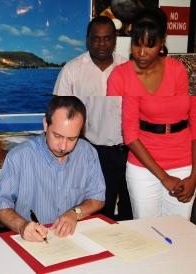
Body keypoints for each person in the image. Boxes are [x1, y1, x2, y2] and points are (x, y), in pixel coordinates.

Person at [107, 7, 196, 219]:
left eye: (150, 45)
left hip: (184, 166)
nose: (142, 53)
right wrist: (165, 178)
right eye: (137, 44)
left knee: (179, 235)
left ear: (162, 41)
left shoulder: (179, 71)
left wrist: (194, 176)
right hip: (143, 169)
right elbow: (129, 134)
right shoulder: (121, 76)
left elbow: (194, 124)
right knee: (148, 236)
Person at [0, 96, 105, 242]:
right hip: (32, 240)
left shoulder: (87, 153)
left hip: (73, 238)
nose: (63, 147)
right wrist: (22, 226)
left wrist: (75, 213)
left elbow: (98, 197)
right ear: (45, 125)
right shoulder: (19, 156)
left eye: (71, 139)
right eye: (57, 136)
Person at [53, 16, 132, 221]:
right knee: (98, 213)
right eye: (96, 38)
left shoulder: (129, 69)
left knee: (131, 210)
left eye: (107, 38)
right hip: (94, 153)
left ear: (115, 39)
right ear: (88, 39)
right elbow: (59, 113)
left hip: (131, 151)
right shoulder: (72, 70)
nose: (102, 43)